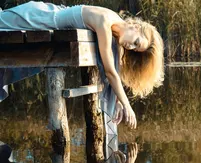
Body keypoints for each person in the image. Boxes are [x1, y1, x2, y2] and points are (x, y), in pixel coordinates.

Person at [0, 1, 165, 128]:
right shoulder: (106, 21)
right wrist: (127, 106)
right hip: (39, 18)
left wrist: (119, 100)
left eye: (136, 49)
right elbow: (109, 71)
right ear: (135, 27)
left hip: (46, 18)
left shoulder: (115, 29)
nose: (131, 47)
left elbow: (116, 70)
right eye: (136, 42)